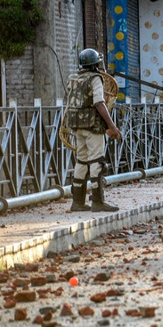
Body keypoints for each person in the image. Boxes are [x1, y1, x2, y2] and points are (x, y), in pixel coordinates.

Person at [64, 49, 122, 212]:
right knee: (96, 161)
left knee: (81, 160)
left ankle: (78, 201)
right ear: (95, 64)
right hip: (92, 126)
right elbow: (99, 102)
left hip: (76, 125)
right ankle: (97, 201)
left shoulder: (73, 78)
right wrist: (112, 126)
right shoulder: (95, 78)